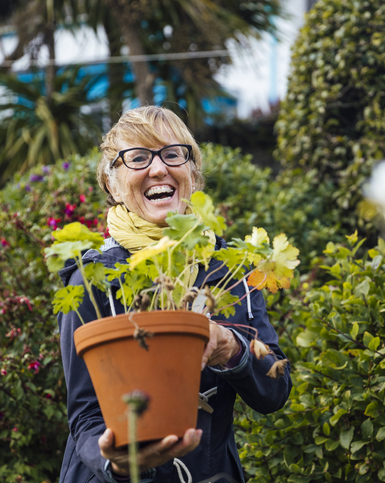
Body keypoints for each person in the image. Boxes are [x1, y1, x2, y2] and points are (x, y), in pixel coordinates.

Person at [57, 106, 291, 483]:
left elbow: (275, 391)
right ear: (113, 184)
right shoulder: (93, 277)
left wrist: (232, 348)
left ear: (193, 174)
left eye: (173, 153)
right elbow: (84, 415)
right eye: (137, 158)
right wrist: (116, 463)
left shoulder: (229, 269)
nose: (158, 168)